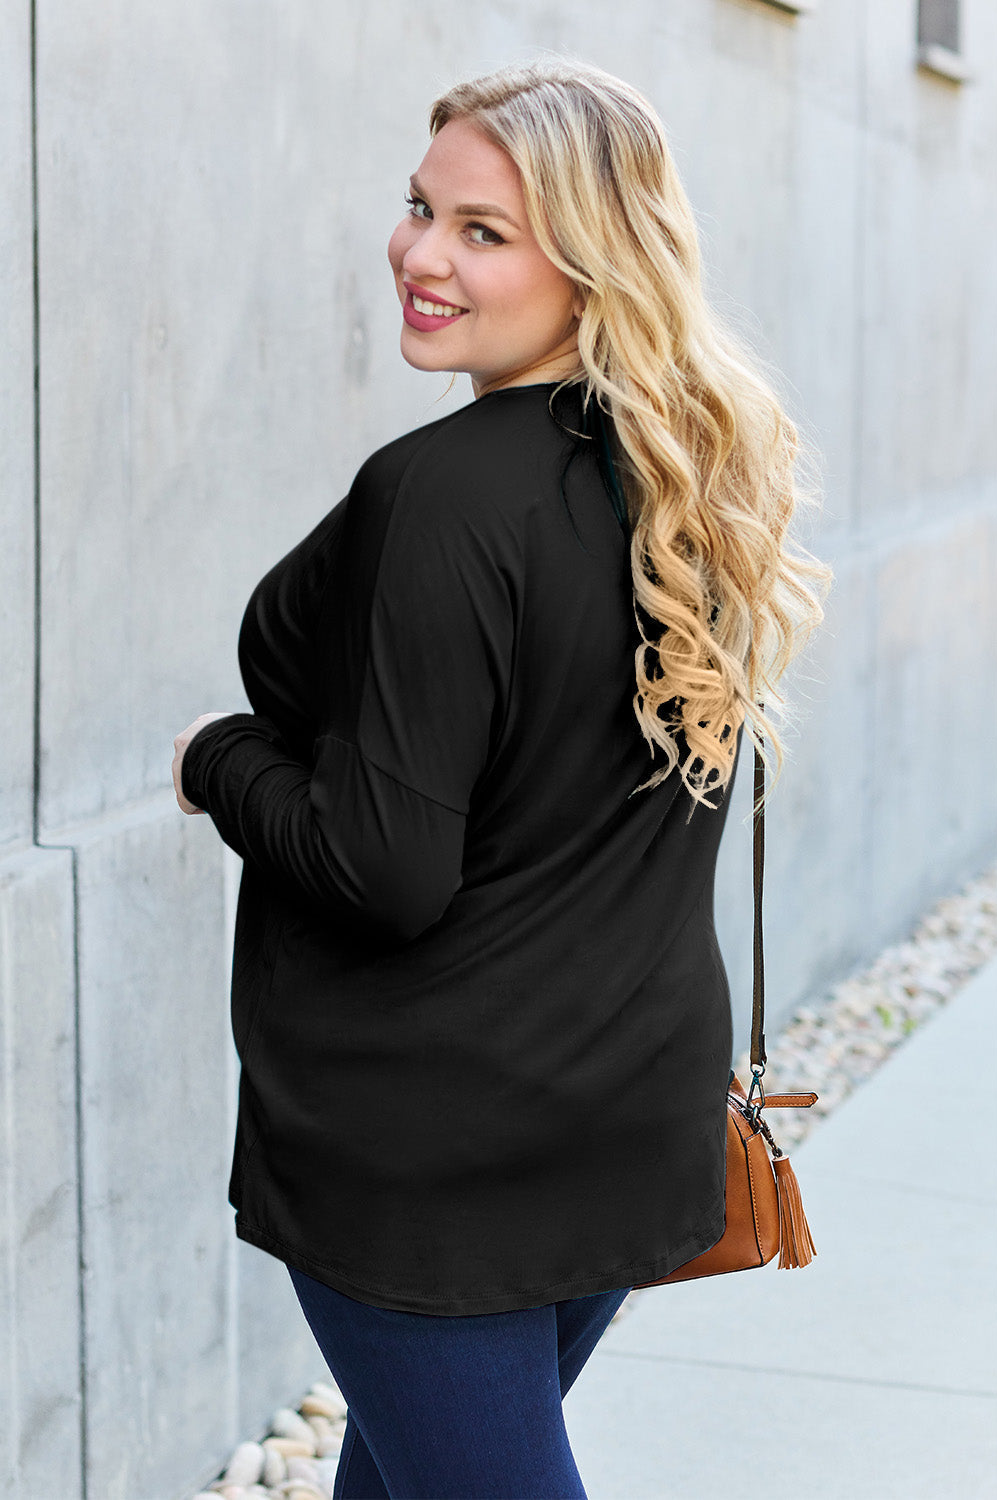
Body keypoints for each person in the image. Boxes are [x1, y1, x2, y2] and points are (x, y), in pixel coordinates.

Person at [171, 56, 832, 1500]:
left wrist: (217, 760)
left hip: (433, 1157)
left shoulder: (444, 495)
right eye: (420, 209)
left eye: (484, 231)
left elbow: (388, 867)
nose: (418, 254)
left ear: (596, 262)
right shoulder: (693, 473)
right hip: (622, 1109)